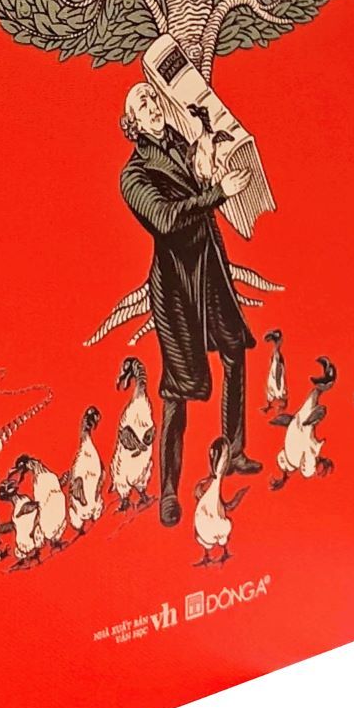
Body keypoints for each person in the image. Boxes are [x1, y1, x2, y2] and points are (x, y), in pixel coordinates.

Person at [117, 79, 259, 527]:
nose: (152, 104)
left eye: (153, 96)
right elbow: (165, 219)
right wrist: (218, 193)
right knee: (178, 390)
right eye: (142, 102)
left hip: (210, 271)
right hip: (177, 287)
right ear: (132, 123)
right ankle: (169, 493)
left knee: (234, 351)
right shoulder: (133, 175)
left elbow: (201, 178)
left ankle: (234, 451)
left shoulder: (181, 142)